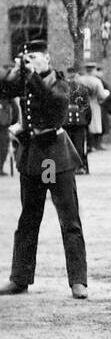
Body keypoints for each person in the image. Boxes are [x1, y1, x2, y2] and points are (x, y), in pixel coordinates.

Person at [0, 41, 88, 299]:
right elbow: (4, 89)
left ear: (47, 59)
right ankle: (20, 278)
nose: (31, 62)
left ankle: (78, 281)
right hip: (33, 156)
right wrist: (15, 72)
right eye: (28, 57)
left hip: (54, 157)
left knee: (68, 219)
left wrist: (32, 77)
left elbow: (53, 102)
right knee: (28, 218)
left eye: (35, 57)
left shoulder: (59, 83)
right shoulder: (27, 80)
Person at [62, 73, 93, 174]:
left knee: (67, 144)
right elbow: (87, 108)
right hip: (80, 122)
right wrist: (86, 121)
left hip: (65, 121)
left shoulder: (62, 89)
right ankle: (79, 167)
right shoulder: (83, 89)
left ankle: (69, 166)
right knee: (79, 145)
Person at [75, 63, 109, 153]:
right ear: (93, 70)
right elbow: (101, 95)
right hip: (94, 103)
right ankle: (93, 145)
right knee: (93, 124)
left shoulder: (79, 80)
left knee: (83, 123)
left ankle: (85, 144)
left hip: (81, 104)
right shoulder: (96, 81)